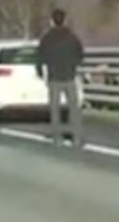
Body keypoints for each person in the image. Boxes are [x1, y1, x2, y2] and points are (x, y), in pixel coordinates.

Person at [36, 8, 85, 148]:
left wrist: (41, 72)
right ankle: (77, 138)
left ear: (52, 21)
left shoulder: (47, 39)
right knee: (74, 108)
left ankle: (57, 138)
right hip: (69, 76)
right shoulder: (72, 37)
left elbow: (40, 57)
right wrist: (74, 66)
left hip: (54, 77)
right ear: (65, 20)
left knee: (55, 108)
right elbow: (80, 55)